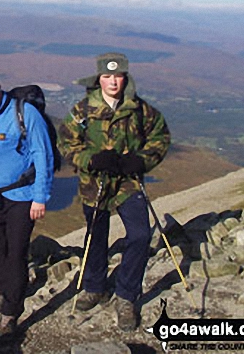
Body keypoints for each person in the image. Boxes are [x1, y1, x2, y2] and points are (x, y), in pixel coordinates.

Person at [58, 52, 171, 331]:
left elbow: (160, 137)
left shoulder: (140, 109)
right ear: (99, 79)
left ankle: (126, 296)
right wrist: (91, 160)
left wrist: (142, 160)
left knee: (141, 235)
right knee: (96, 236)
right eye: (107, 76)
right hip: (94, 183)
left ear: (125, 78)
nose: (112, 81)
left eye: (117, 76)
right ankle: (94, 287)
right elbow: (66, 143)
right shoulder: (82, 110)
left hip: (128, 182)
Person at [0, 67, 53, 339]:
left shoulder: (25, 113)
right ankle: (1, 289)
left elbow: (43, 154)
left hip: (23, 196)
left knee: (16, 253)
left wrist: (40, 197)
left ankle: (10, 312)